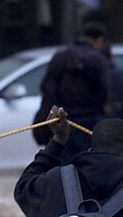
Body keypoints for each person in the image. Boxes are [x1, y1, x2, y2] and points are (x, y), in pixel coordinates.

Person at [31, 21, 110, 151]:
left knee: (63, 163)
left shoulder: (60, 56)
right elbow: (104, 92)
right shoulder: (99, 60)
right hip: (89, 122)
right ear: (100, 40)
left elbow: (47, 87)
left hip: (62, 120)